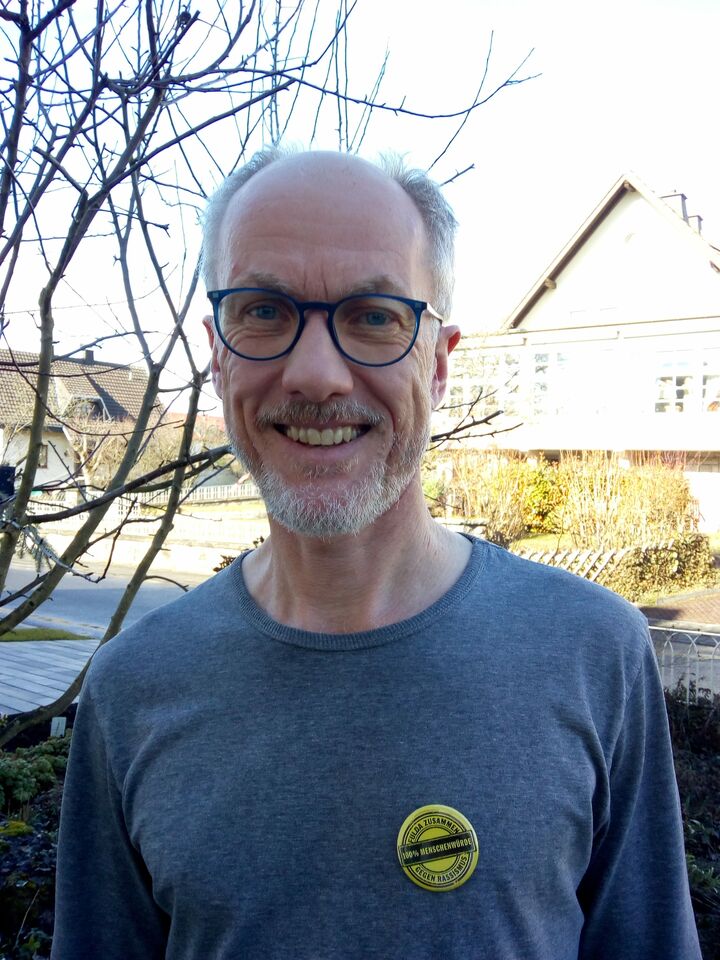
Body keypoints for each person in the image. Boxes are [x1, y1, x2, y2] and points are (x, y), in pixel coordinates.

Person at [51, 149, 701, 960]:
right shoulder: (132, 688)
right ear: (216, 353)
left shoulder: (594, 651)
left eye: (373, 316)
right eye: (263, 311)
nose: (317, 375)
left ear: (439, 361)